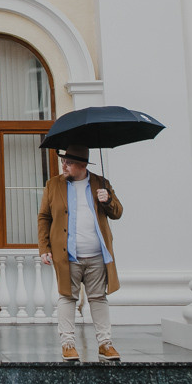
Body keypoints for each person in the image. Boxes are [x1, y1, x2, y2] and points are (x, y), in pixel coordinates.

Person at [38, 145, 123, 362]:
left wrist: (108, 200)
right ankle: (68, 344)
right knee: (67, 297)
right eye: (62, 161)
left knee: (98, 298)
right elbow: (44, 218)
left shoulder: (100, 183)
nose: (63, 165)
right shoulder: (53, 185)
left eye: (68, 162)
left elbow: (117, 213)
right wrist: (44, 248)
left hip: (96, 255)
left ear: (82, 165)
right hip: (68, 256)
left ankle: (105, 343)